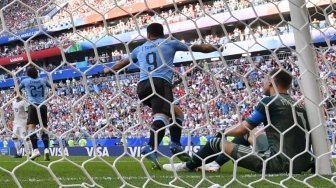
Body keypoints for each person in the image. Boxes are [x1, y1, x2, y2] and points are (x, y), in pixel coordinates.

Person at [105, 22, 219, 169]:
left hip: (142, 87)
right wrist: (218, 48)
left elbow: (122, 63)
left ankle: (175, 145)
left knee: (177, 114)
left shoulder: (139, 49)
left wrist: (108, 70)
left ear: (148, 34)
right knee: (163, 116)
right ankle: (151, 147)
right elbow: (201, 48)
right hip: (160, 83)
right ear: (162, 33)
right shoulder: (170, 43)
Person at [163, 69, 313, 174]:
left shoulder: (269, 101)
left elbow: (242, 128)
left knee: (216, 142)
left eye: (265, 79)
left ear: (271, 82)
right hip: (301, 162)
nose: (262, 82)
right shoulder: (298, 104)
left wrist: (222, 132)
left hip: (278, 163)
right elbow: (246, 131)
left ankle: (187, 166)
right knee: (251, 134)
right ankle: (215, 164)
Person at [19, 66, 52, 161]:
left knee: (31, 128)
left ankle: (36, 150)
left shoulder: (25, 81)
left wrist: (21, 94)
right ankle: (46, 150)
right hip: (43, 105)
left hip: (32, 106)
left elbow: (16, 90)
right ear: (37, 73)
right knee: (44, 128)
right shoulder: (43, 80)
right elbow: (54, 87)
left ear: (28, 74)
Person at [12, 92, 31, 158]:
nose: (16, 95)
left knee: (25, 138)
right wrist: (12, 120)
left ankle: (30, 153)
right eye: (15, 94)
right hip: (16, 123)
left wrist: (28, 123)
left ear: (20, 94)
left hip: (23, 122)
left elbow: (28, 113)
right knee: (14, 137)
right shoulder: (13, 102)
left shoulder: (24, 102)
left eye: (17, 94)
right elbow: (14, 112)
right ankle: (18, 153)